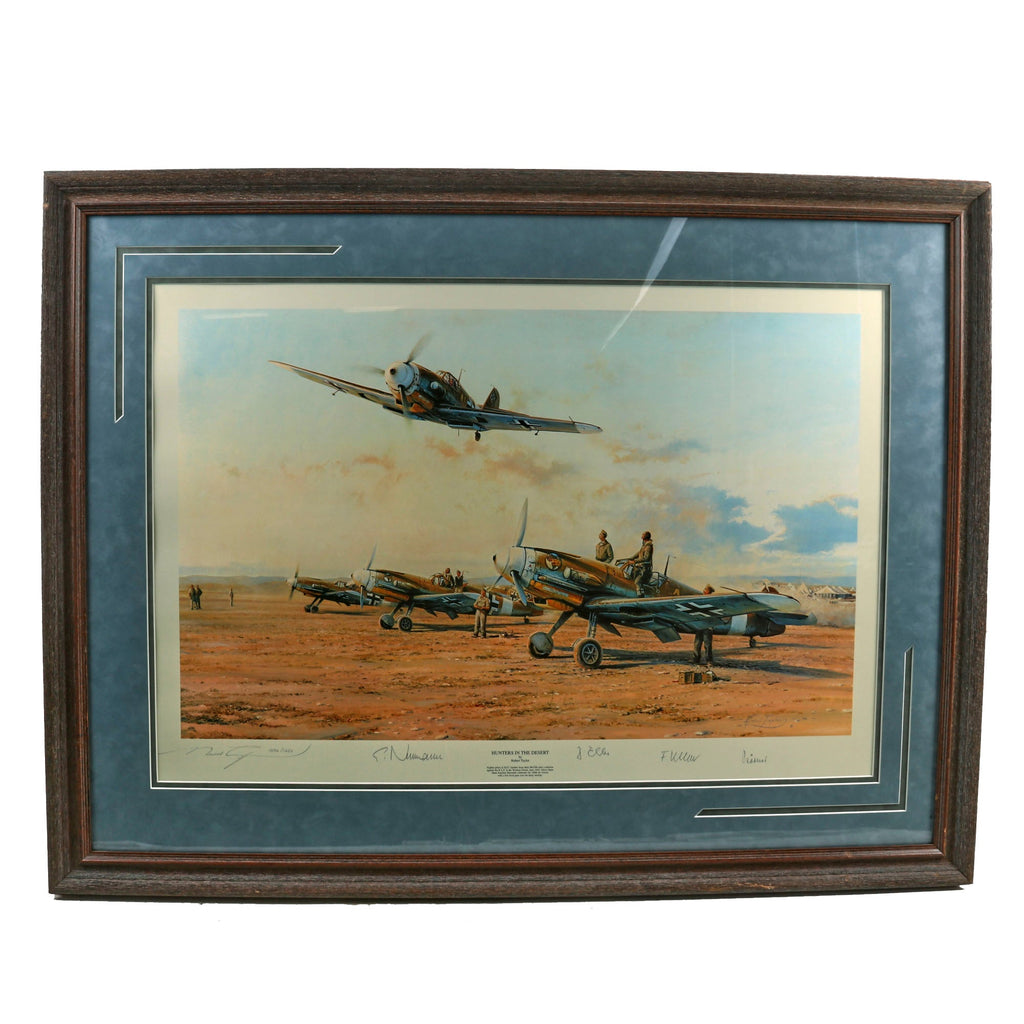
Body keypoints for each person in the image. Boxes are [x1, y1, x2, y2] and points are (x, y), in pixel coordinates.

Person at [625, 531, 654, 595]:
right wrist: (630, 558)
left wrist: (634, 561)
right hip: (640, 568)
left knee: (637, 582)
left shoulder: (648, 547)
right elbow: (638, 553)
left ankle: (640, 595)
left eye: (643, 534)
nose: (641, 535)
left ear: (646, 536)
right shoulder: (644, 546)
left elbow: (646, 558)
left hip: (645, 569)